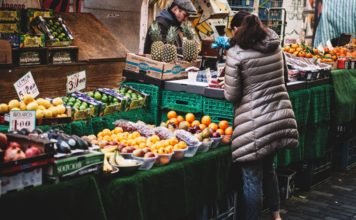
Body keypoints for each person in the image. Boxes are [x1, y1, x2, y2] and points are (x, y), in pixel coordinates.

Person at [224, 12, 299, 220]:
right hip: (277, 118)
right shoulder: (276, 48)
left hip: (254, 124)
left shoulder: (236, 53)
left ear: (238, 30)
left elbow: (231, 94)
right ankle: (276, 216)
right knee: (268, 170)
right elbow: (284, 78)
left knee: (251, 178)